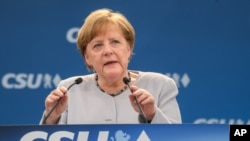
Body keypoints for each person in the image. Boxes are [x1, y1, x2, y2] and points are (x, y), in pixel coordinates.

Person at [40, 8, 182, 124]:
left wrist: (153, 115)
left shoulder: (160, 85)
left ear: (128, 49)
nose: (108, 51)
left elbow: (178, 138)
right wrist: (52, 118)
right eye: (98, 45)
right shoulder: (70, 89)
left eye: (115, 42)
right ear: (87, 58)